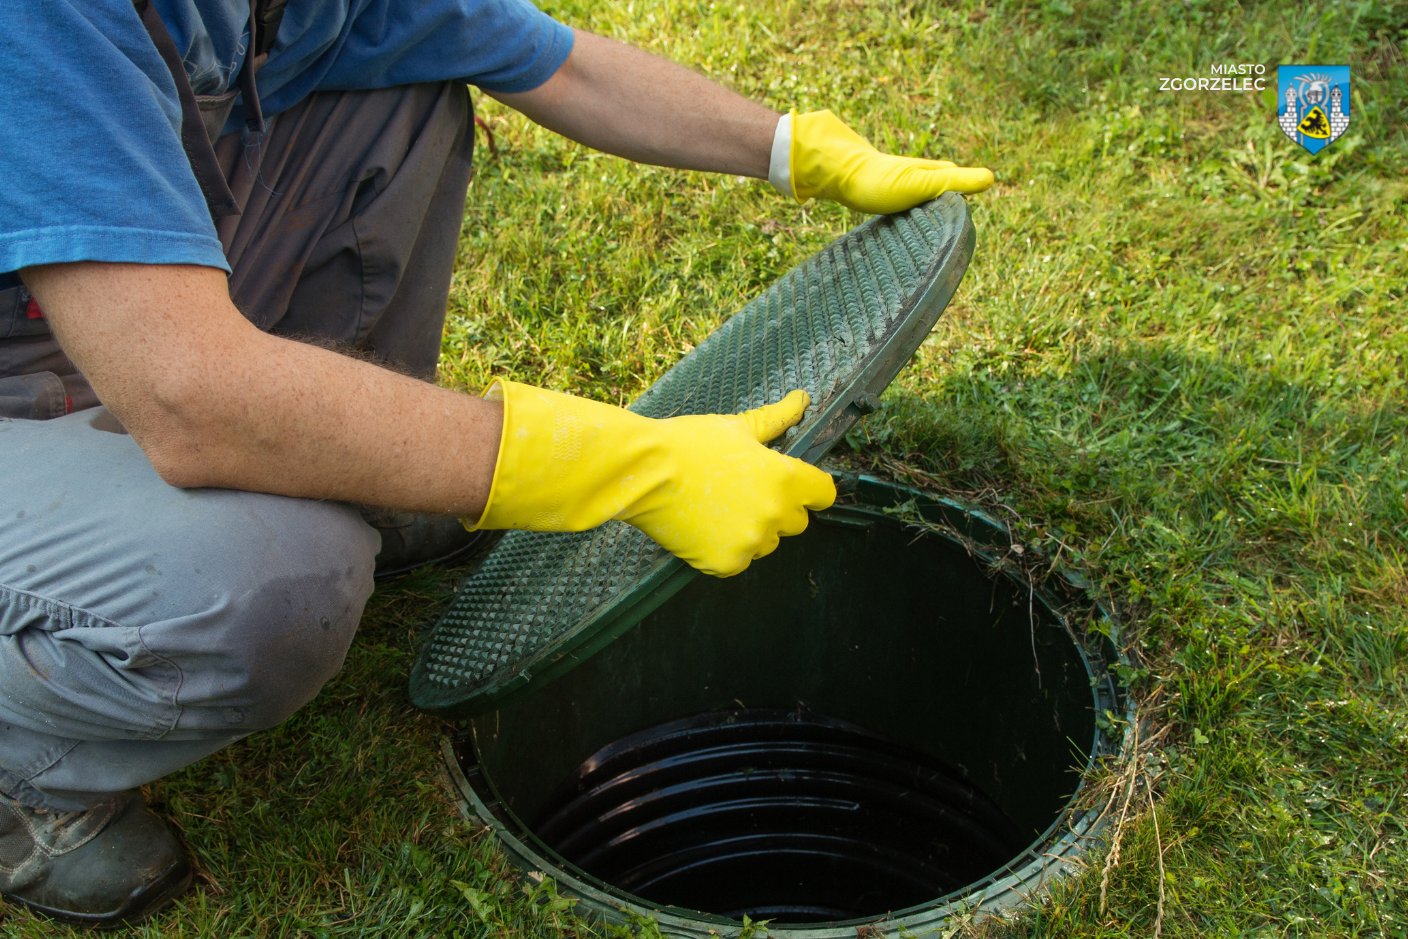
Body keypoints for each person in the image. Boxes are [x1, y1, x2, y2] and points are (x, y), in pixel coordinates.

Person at [0, 0, 994, 926]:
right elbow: (190, 398)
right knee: (264, 581)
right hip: (79, 374)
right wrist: (615, 465)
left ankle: (328, 465)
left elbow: (539, 58)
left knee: (399, 91)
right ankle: (23, 781)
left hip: (96, 318)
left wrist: (793, 149)